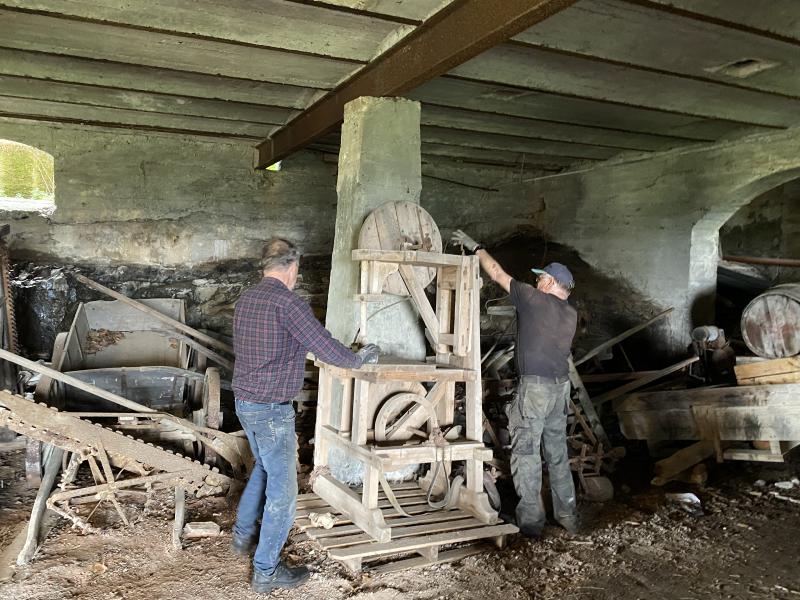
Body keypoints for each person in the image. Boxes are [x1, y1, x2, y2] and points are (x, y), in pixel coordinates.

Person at [231, 238, 379, 592]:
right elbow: (325, 346)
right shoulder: (289, 304)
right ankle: (266, 572)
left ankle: (242, 536)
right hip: (270, 411)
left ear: (266, 266)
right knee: (284, 494)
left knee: (264, 467)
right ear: (293, 268)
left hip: (245, 403)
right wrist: (358, 358)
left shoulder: (246, 299)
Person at [452, 230, 578, 537]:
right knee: (557, 453)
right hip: (560, 388)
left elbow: (497, 273)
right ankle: (568, 516)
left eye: (540, 278)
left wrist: (476, 248)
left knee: (526, 452)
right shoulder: (571, 313)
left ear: (550, 282)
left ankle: (531, 524)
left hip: (535, 389)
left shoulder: (534, 299)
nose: (536, 281)